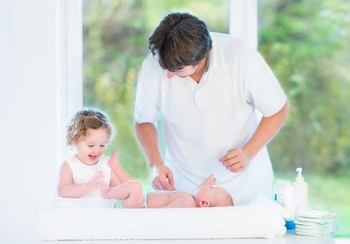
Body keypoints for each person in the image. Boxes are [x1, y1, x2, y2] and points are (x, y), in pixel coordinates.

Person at [134, 12, 289, 202]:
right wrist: (156, 164)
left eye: (177, 70)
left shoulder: (240, 56)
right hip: (184, 187)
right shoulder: (154, 66)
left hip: (245, 185)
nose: (168, 75)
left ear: (201, 57)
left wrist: (248, 152)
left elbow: (277, 109)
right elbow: (143, 121)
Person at [57, 107, 144, 208]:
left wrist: (116, 168)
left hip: (107, 210)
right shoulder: (69, 165)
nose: (97, 150)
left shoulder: (106, 163)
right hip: (83, 211)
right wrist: (88, 187)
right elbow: (62, 190)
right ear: (75, 140)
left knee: (136, 189)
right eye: (91, 145)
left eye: (102, 145)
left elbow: (120, 189)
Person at [101, 153, 233, 208]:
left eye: (211, 188)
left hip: (141, 207)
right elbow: (200, 191)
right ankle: (114, 167)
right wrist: (206, 184)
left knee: (135, 187)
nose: (207, 186)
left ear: (204, 203)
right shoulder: (192, 199)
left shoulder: (187, 202)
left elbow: (166, 214)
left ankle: (108, 192)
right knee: (134, 186)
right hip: (141, 201)